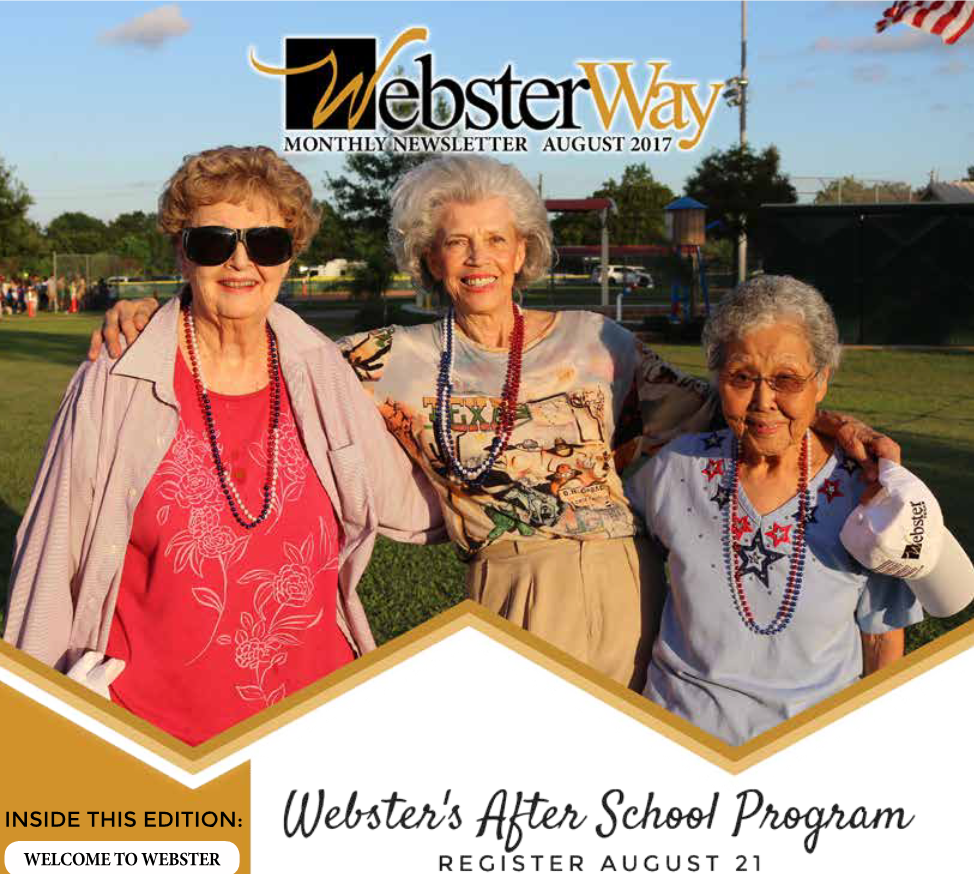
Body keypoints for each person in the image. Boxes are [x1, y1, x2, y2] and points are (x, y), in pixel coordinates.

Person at [94, 156, 894, 691]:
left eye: (496, 240)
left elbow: (740, 404)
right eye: (455, 243)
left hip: (627, 583)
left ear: (524, 252)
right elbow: (255, 348)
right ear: (429, 258)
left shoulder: (600, 343)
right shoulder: (383, 355)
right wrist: (155, 312)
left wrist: (837, 421)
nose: (477, 258)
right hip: (508, 580)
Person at [5, 145, 442, 745]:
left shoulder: (325, 374)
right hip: (152, 734)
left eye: (266, 242)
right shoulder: (116, 378)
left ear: (290, 256)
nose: (241, 262)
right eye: (214, 242)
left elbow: (417, 502)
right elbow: (49, 559)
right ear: (182, 253)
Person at [629, 275, 973, 746]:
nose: (763, 401)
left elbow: (881, 639)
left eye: (787, 380)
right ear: (717, 378)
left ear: (822, 381)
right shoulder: (676, 469)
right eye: (741, 377)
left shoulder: (865, 491)